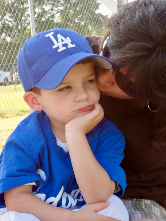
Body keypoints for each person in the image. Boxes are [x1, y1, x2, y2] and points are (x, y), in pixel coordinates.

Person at [0, 28, 129, 221]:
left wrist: (75, 134)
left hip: (84, 209)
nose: (83, 95)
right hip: (40, 213)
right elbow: (16, 201)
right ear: (36, 101)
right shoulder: (24, 138)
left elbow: (98, 197)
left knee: (115, 208)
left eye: (89, 81)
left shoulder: (108, 134)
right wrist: (69, 218)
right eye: (65, 88)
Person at [86, 0, 166, 221]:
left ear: (154, 95)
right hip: (64, 187)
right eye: (109, 52)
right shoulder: (74, 57)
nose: (101, 79)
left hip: (138, 196)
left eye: (127, 83)